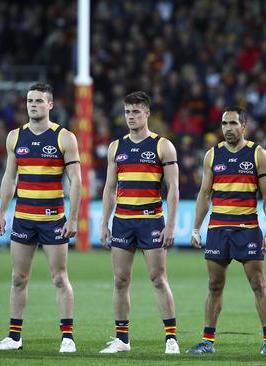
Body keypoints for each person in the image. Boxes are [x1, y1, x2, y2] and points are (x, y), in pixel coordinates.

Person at [0, 83, 81, 353]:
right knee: (18, 278)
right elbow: (9, 177)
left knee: (59, 277)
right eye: (30, 100)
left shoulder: (64, 138)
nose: (33, 105)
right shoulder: (15, 137)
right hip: (23, 218)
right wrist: (2, 213)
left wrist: (73, 218)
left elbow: (76, 181)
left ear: (50, 105)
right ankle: (14, 337)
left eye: (39, 101)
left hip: (53, 218)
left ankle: (67, 337)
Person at [186, 106, 266, 355]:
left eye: (233, 123)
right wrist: (196, 227)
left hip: (247, 229)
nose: (228, 128)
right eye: (225, 124)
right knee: (214, 286)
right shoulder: (212, 155)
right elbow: (205, 194)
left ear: (244, 126)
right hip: (218, 229)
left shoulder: (258, 154)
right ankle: (208, 341)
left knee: (259, 283)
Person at [99, 91, 180, 354]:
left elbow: (173, 188)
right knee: (120, 280)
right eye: (127, 112)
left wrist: (170, 225)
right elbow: (110, 187)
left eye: (136, 112)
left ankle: (171, 339)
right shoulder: (116, 147)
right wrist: (104, 222)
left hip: (151, 221)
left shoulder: (162, 146)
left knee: (158, 279)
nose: (131, 117)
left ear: (147, 113)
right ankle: (122, 339)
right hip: (122, 221)